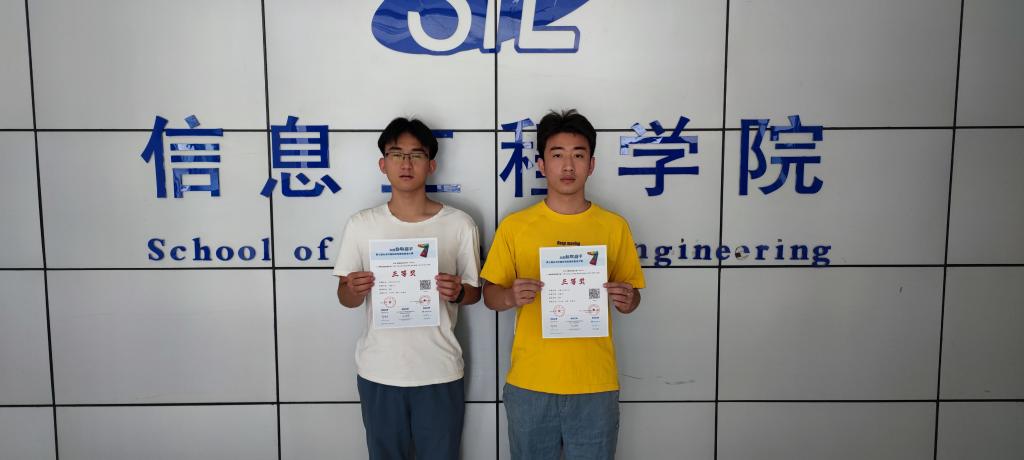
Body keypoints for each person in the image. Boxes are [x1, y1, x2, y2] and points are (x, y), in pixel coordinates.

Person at [481, 109, 645, 460]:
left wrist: (627, 299)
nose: (568, 166)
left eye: (578, 155)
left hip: (595, 384)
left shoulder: (613, 227)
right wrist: (510, 296)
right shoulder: (515, 226)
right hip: (530, 384)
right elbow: (490, 296)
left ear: (592, 164)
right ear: (542, 164)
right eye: (557, 155)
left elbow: (633, 298)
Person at [333, 117, 481, 460]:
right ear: (382, 164)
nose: (406, 163)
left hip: (439, 369)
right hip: (379, 371)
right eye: (397, 154)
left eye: (416, 155)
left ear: (431, 165)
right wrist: (354, 288)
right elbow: (344, 297)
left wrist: (458, 292)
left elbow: (474, 292)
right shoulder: (362, 224)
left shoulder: (460, 224)